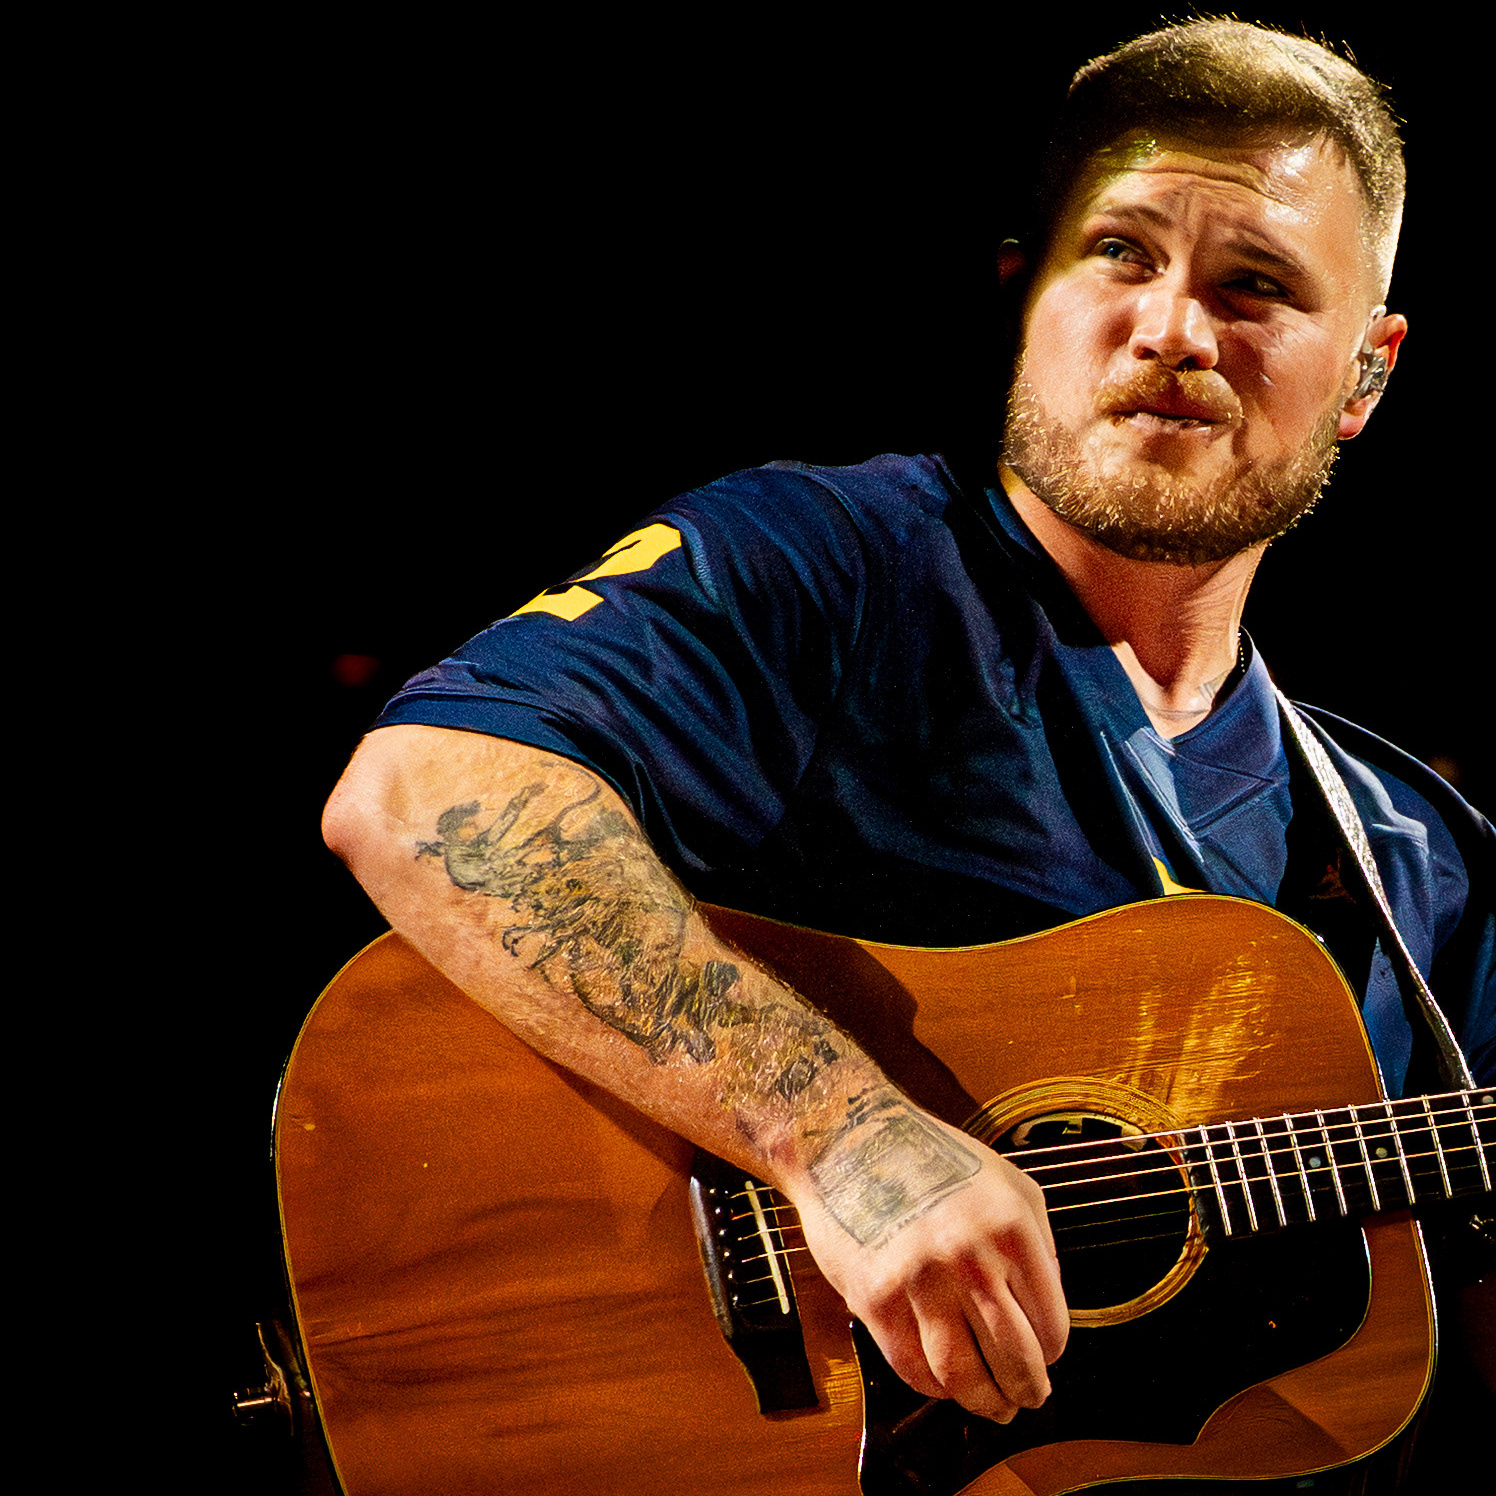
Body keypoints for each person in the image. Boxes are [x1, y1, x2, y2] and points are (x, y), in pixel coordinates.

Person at [322, 18, 1492, 1488]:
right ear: (1024, 295)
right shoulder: (834, 566)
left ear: (1367, 375)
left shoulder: (1411, 862)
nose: (1174, 331)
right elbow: (422, 791)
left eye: (1254, 285)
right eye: (1119, 255)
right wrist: (845, 1139)